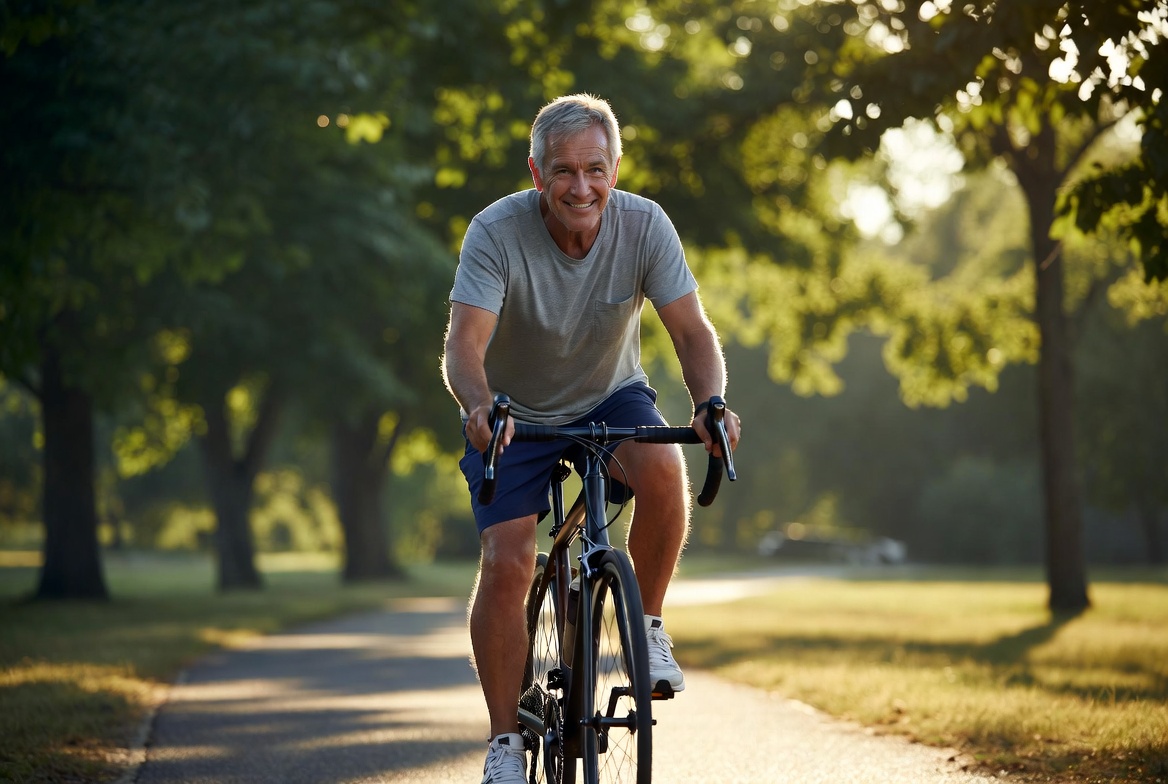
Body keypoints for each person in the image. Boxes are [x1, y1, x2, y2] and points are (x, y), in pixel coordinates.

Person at [441, 93, 741, 784]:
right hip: (517, 410)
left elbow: (692, 332)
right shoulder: (496, 231)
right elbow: (464, 343)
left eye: (596, 169)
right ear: (537, 171)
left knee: (665, 467)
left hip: (612, 394)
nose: (582, 187)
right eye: (564, 171)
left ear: (615, 168)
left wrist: (711, 402)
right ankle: (504, 743)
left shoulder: (645, 225)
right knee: (509, 558)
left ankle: (651, 626)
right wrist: (480, 404)